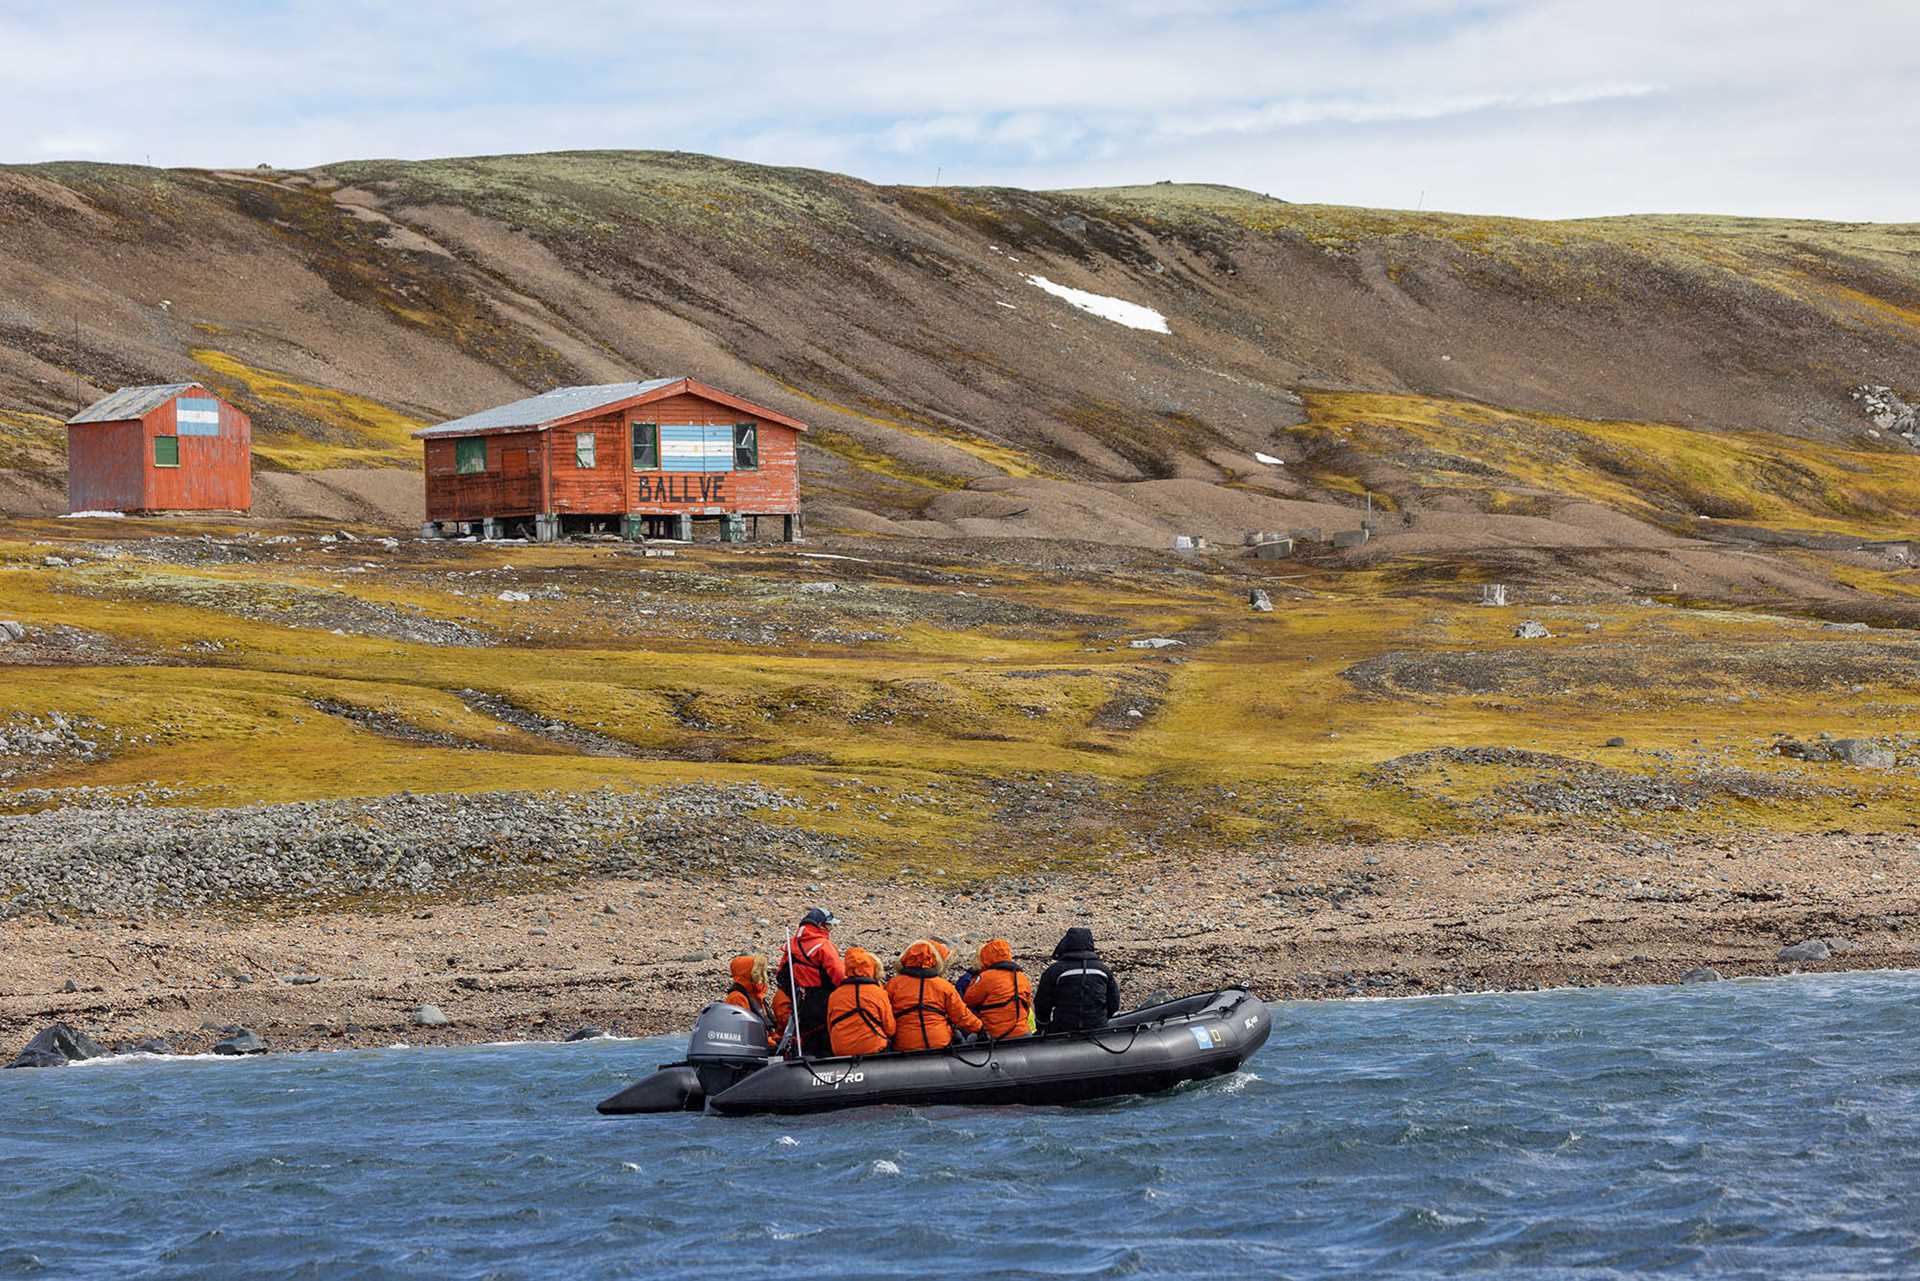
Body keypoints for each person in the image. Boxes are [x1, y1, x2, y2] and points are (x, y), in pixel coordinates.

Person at [888, 939, 983, 1051]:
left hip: (905, 1044)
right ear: (935, 961)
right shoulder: (944, 986)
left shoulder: (893, 985)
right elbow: (962, 1016)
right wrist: (981, 1029)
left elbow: (885, 1017)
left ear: (905, 959)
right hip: (939, 1041)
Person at [776, 907, 845, 1056]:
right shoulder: (823, 946)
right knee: (824, 1035)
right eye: (829, 925)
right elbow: (839, 975)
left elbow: (781, 974)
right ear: (820, 925)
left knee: (805, 1035)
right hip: (822, 1000)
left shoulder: (792, 944)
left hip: (799, 1000)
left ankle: (803, 1060)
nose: (831, 929)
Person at [1034, 927, 1120, 1033]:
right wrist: (1104, 1020)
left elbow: (1042, 1002)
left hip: (1063, 1027)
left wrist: (1042, 1024)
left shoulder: (1055, 971)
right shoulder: (1103, 970)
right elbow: (1114, 1001)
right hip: (1097, 1026)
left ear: (1066, 944)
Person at [825, 947, 895, 1057]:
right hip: (873, 1048)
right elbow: (890, 1029)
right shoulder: (879, 993)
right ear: (871, 969)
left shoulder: (835, 995)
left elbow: (830, 1028)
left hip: (841, 1049)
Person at [962, 938, 1034, 1040]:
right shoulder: (1022, 977)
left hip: (995, 1034)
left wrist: (974, 979)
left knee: (970, 1040)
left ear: (985, 957)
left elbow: (969, 1000)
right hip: (1023, 1032)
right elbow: (1028, 1005)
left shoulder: (985, 977)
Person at [722, 955, 780, 1048]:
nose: (763, 974)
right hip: (753, 1049)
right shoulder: (737, 997)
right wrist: (770, 1042)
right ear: (748, 974)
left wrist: (777, 1038)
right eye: (758, 971)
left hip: (763, 1045)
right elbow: (744, 1031)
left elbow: (767, 1027)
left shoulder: (757, 996)